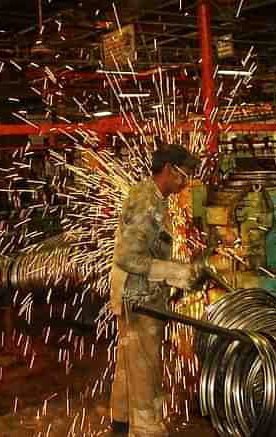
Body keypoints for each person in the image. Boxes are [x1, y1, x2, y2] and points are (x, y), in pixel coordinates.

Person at [109, 144, 202, 437]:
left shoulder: (155, 197)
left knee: (129, 363)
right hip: (138, 298)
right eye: (183, 175)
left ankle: (121, 423)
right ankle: (147, 430)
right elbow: (127, 257)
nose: (186, 182)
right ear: (168, 170)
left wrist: (173, 269)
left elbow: (149, 249)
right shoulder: (147, 201)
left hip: (136, 292)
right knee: (145, 368)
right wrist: (175, 273)